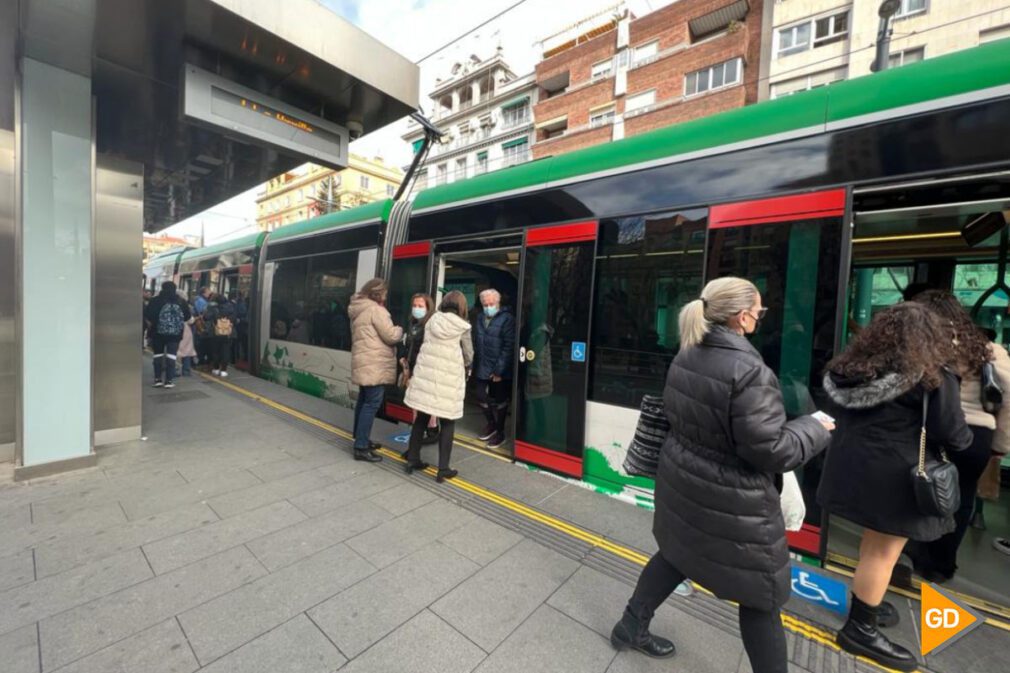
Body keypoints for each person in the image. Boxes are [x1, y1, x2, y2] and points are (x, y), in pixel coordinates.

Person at [611, 277, 833, 673]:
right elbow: (770, 449)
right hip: (734, 497)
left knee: (676, 554)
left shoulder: (687, 353)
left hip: (685, 479)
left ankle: (631, 625)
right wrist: (815, 428)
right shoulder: (748, 370)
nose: (760, 318)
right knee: (761, 594)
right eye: (760, 312)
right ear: (743, 316)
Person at [819, 302, 972, 671]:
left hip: (852, 467)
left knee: (871, 548)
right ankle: (860, 630)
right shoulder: (933, 374)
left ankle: (866, 603)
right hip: (898, 476)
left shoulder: (848, 370)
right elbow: (952, 433)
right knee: (881, 554)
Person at [903, 290, 1010, 581]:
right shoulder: (991, 350)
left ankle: (915, 552)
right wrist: (1000, 445)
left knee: (921, 490)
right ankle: (941, 565)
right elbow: (1008, 400)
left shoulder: (924, 347)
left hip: (933, 430)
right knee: (960, 500)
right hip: (977, 436)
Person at [403, 290, 474, 483]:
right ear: (461, 306)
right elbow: (469, 354)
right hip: (448, 381)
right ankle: (443, 469)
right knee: (448, 422)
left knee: (421, 418)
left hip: (427, 377)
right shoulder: (463, 327)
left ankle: (412, 460)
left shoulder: (431, 321)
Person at [348, 278, 404, 462]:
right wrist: (400, 329)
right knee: (371, 404)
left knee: (364, 400)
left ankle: (360, 438)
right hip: (374, 364)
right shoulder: (376, 310)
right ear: (378, 293)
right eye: (385, 293)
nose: (386, 297)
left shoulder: (358, 308)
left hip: (365, 362)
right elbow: (390, 336)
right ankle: (361, 447)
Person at [472, 288, 515, 449]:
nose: (488, 306)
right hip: (483, 364)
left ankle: (500, 432)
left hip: (499, 368)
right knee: (480, 395)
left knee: (500, 400)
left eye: (491, 303)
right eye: (485, 304)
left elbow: (509, 346)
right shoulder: (480, 317)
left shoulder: (507, 319)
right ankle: (491, 423)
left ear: (498, 303)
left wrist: (499, 371)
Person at [399, 293, 439, 446]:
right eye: (414, 305)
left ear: (428, 308)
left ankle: (432, 430)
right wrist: (404, 361)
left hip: (424, 370)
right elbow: (407, 345)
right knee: (416, 402)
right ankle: (421, 431)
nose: (416, 309)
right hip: (412, 368)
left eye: (420, 306)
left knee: (425, 402)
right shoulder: (412, 323)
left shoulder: (431, 325)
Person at [144, 281, 191, 389]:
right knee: (171, 356)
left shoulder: (155, 300)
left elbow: (148, 314)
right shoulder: (181, 301)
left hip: (157, 333)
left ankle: (158, 380)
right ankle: (169, 380)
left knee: (158, 355)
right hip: (175, 334)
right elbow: (187, 317)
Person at [203, 293, 237, 377]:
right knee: (226, 351)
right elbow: (234, 319)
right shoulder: (231, 308)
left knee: (215, 351)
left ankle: (216, 368)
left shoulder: (213, 308)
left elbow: (206, 317)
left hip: (216, 333)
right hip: (228, 333)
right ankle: (224, 370)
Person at [177, 293, 197, 377]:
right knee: (187, 350)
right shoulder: (186, 306)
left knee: (172, 350)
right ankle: (186, 370)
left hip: (173, 329)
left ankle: (172, 369)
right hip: (185, 329)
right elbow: (190, 320)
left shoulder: (169, 304)